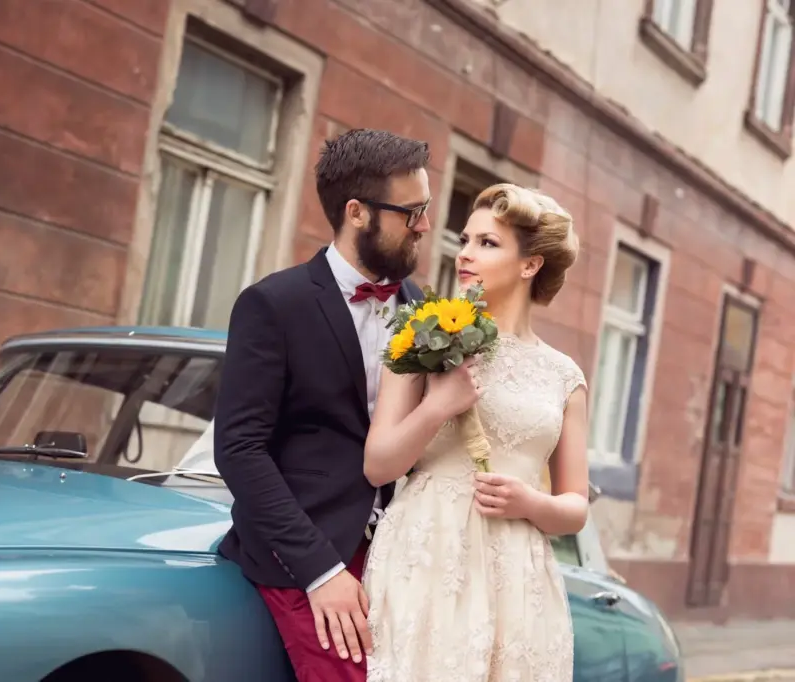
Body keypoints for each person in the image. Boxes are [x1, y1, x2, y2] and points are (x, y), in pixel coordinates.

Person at [214, 128, 430, 682]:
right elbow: (239, 450)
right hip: (303, 559)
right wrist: (320, 570)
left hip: (400, 557)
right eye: (412, 212)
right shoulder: (273, 304)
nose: (425, 226)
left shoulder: (425, 310)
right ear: (357, 212)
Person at [361, 183, 590, 681]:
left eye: (487, 243)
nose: (465, 254)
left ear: (530, 265)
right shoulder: (419, 335)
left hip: (518, 569)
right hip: (428, 555)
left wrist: (532, 504)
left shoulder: (564, 376)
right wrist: (436, 408)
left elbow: (576, 506)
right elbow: (378, 464)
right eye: (465, 240)